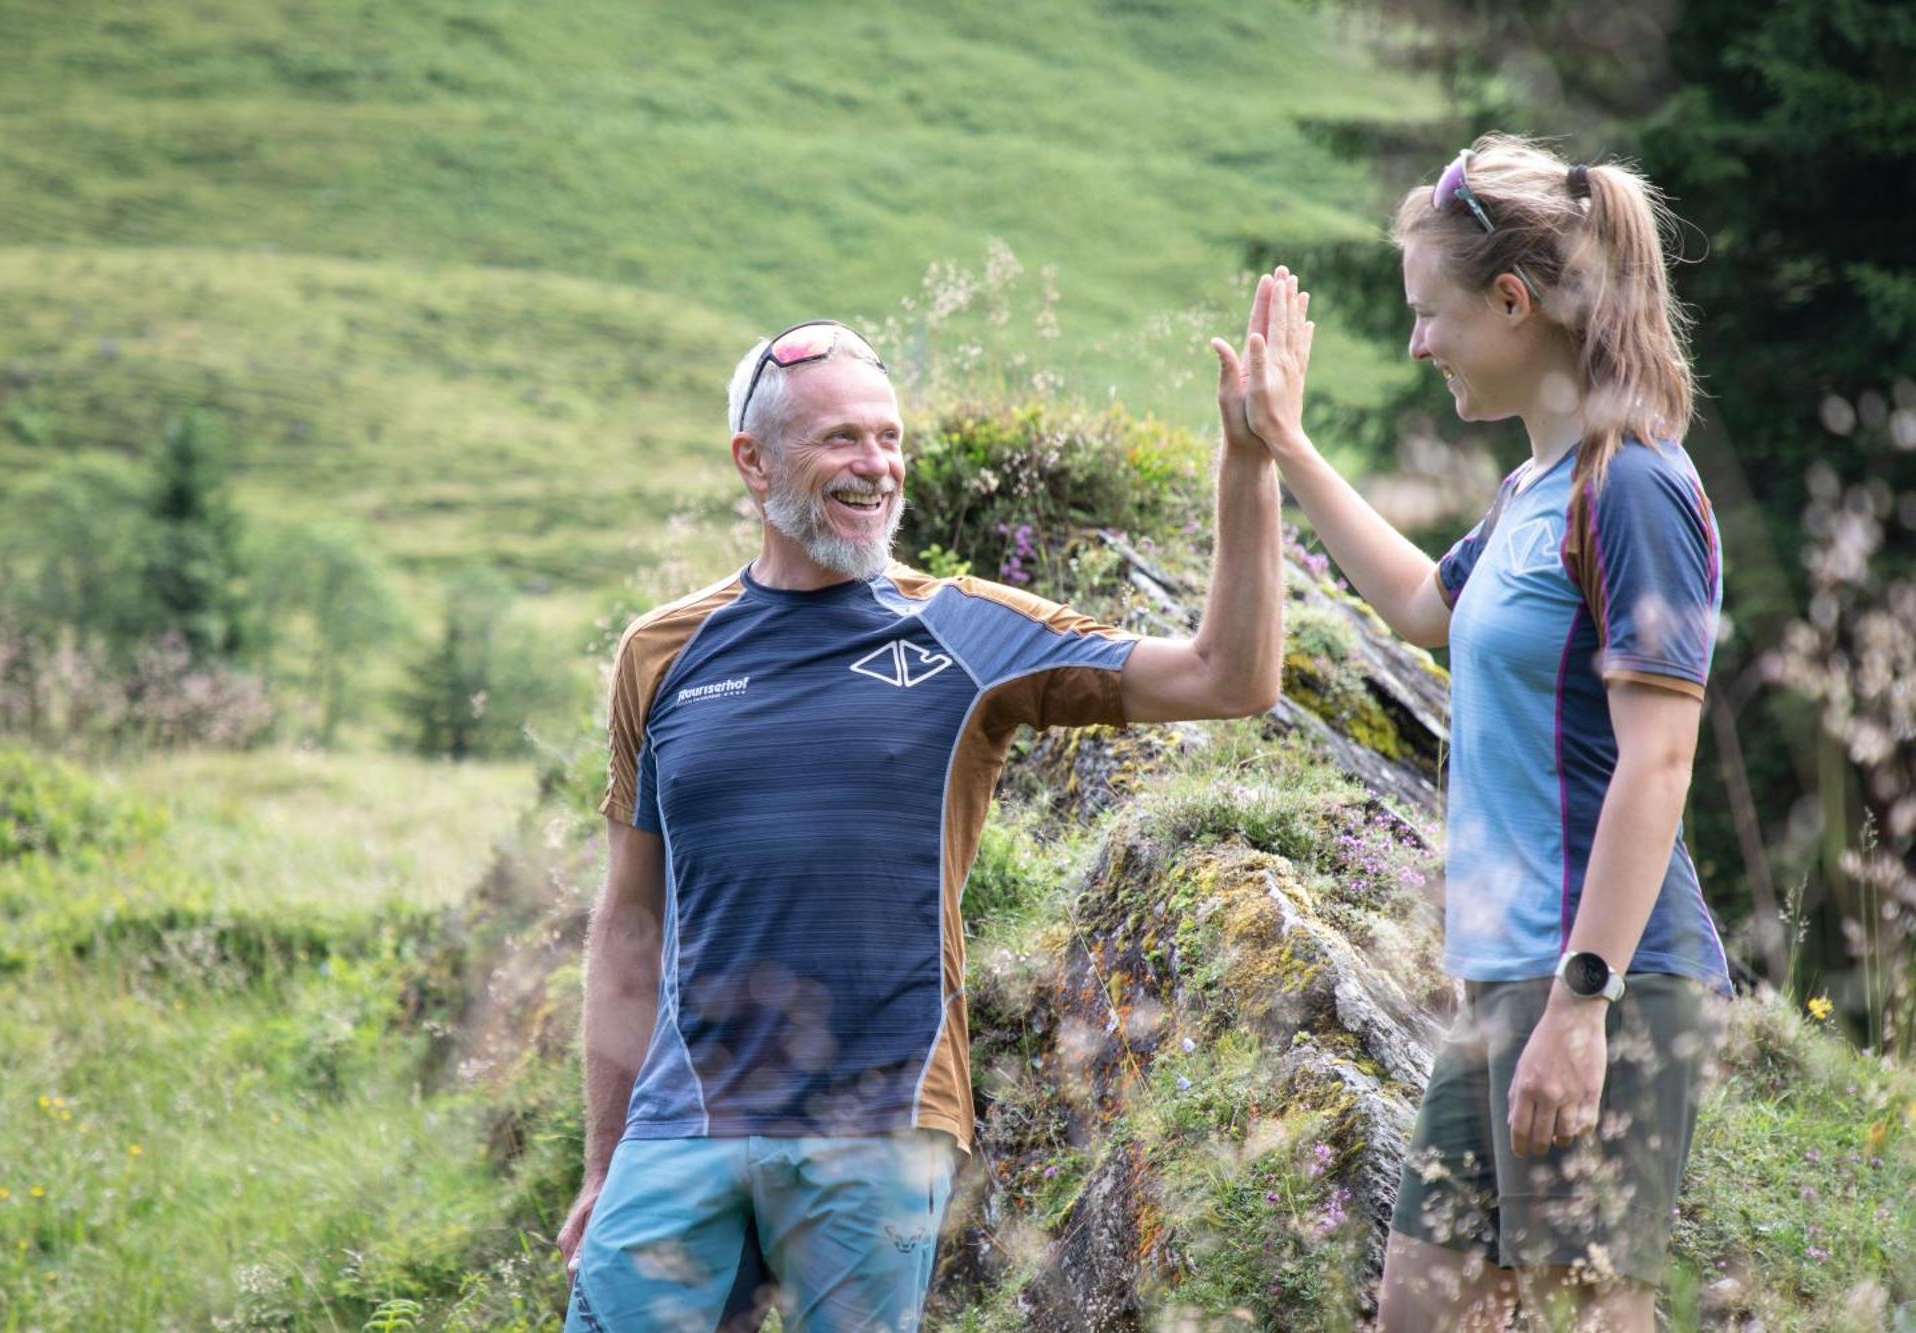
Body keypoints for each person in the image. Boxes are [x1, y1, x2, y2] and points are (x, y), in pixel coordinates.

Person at [556, 315, 1287, 1331]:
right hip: (682, 1127)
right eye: (841, 439)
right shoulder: (660, 652)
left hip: (882, 1128)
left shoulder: (964, 630)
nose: (877, 465)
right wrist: (605, 1161)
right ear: (753, 461)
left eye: (889, 437)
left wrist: (1248, 463)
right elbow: (626, 925)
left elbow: (1229, 676)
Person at [1234, 134, 1732, 1332]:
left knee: (1585, 1315)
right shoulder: (1531, 494)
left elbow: (1658, 763)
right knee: (1422, 1312)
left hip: (1597, 978)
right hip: (1501, 981)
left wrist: (1580, 1004)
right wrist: (1284, 446)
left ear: (1511, 303)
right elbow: (1418, 606)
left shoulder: (1632, 489)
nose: (1416, 345)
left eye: (1430, 314)